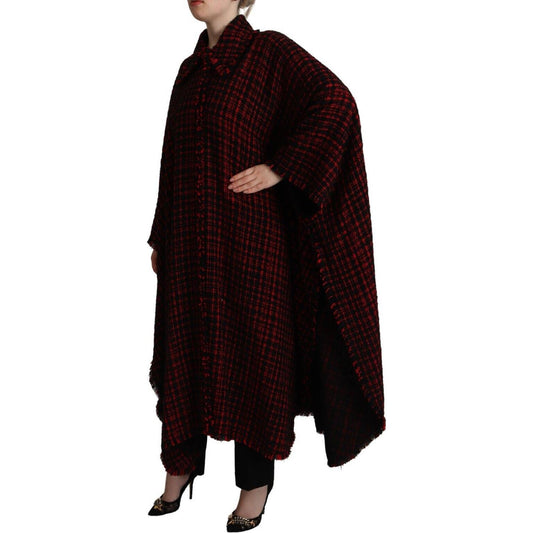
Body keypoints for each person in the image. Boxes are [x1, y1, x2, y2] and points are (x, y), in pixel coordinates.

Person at [146, 1, 386, 530]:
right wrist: (161, 234)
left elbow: (336, 103)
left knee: (255, 358)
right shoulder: (189, 71)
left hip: (250, 243)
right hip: (188, 244)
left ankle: (254, 487)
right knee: (185, 349)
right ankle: (179, 469)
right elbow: (171, 160)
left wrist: (281, 167)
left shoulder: (269, 53)